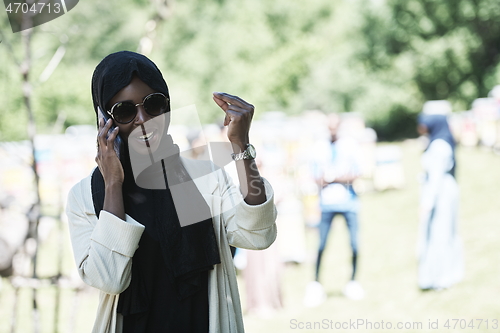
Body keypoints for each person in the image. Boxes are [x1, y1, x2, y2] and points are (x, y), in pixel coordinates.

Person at [66, 51, 277, 333]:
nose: (143, 119)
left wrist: (241, 146)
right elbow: (110, 279)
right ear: (105, 118)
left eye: (153, 104)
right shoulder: (86, 196)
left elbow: (257, 235)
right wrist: (113, 184)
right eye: (125, 111)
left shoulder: (203, 178)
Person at [304, 113, 364, 307]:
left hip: (349, 202)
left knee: (355, 244)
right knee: (321, 246)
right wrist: (327, 179)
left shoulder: (350, 145)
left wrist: (335, 178)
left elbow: (357, 173)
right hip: (327, 203)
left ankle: (353, 281)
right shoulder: (318, 147)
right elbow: (314, 176)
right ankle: (316, 283)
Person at [417, 101, 463, 291]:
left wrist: (427, 202)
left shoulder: (438, 145)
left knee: (439, 234)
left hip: (440, 192)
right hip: (447, 189)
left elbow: (435, 177)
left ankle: (439, 278)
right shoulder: (443, 140)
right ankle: (451, 274)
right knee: (448, 233)